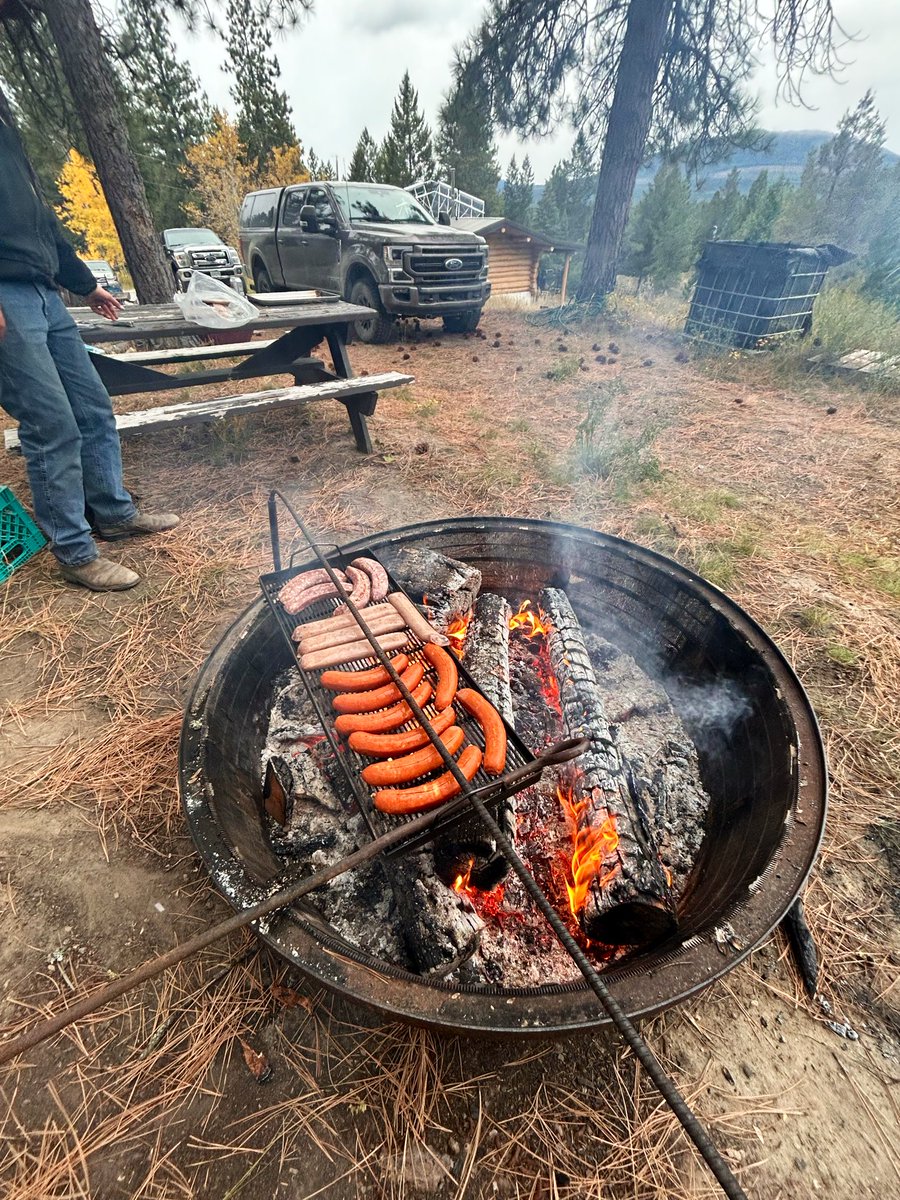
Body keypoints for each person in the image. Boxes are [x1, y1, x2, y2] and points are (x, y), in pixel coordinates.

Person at [0, 108, 179, 592]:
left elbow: (43, 226)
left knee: (93, 408)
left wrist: (84, 284)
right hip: (5, 295)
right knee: (51, 425)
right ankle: (75, 553)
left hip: (43, 291)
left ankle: (115, 514)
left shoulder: (5, 133)